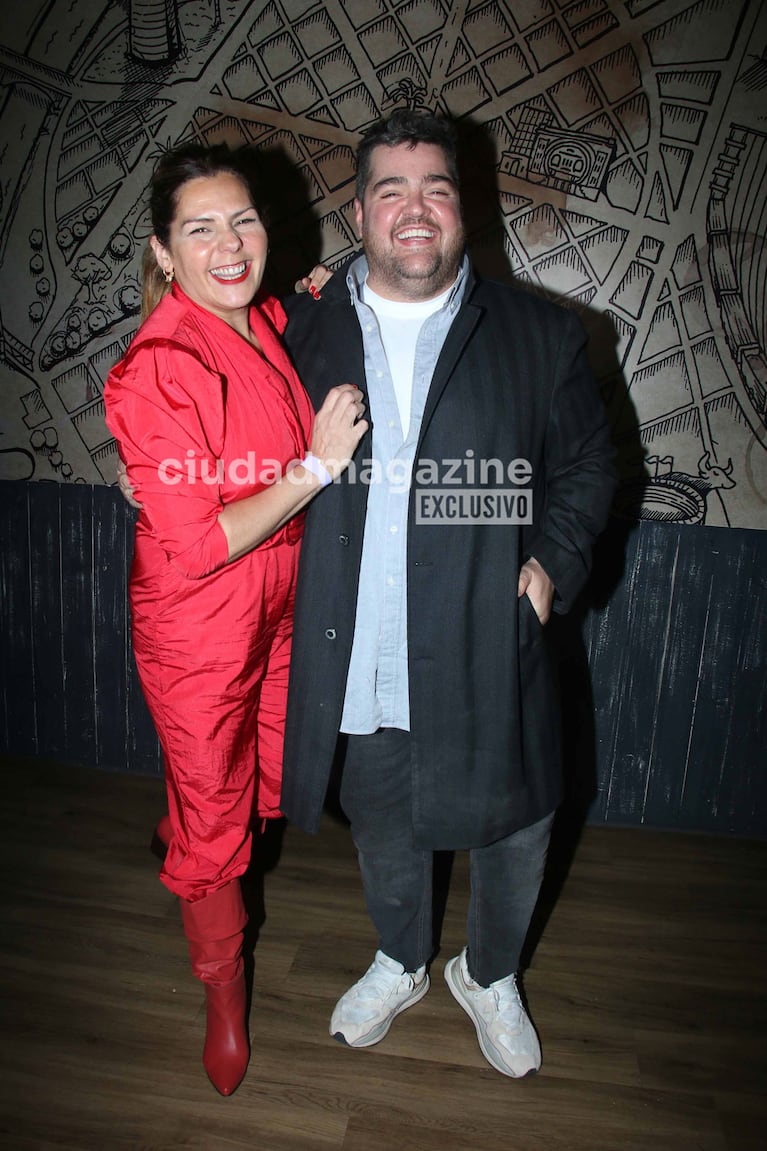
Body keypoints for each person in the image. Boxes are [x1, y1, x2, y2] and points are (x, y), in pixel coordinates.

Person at [278, 108, 616, 1077]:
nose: (414, 209)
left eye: (434, 188)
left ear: (461, 209)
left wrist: (549, 563)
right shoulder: (303, 330)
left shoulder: (540, 335)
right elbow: (239, 450)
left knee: (515, 823)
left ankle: (490, 971)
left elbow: (588, 466)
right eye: (391, 190)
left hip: (487, 637)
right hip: (361, 647)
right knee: (382, 818)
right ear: (359, 211)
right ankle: (400, 955)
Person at [103, 142, 367, 1096]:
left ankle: (195, 842)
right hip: (200, 625)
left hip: (283, 609)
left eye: (243, 219)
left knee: (261, 776)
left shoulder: (264, 320)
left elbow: (299, 322)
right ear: (163, 252)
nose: (228, 242)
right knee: (215, 814)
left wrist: (323, 291)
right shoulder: (154, 368)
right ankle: (222, 990)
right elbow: (198, 543)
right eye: (199, 228)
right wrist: (318, 467)